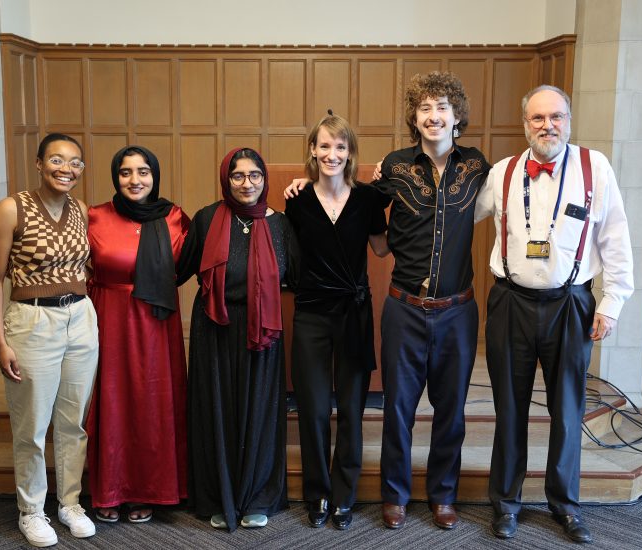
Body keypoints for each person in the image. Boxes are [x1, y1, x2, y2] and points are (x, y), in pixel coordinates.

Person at [475, 85, 634, 543]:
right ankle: (505, 503)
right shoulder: (502, 173)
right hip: (510, 302)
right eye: (539, 118)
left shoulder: (594, 168)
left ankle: (564, 504)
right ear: (525, 124)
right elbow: (456, 213)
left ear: (569, 119)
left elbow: (616, 238)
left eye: (557, 117)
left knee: (567, 410)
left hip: (571, 305)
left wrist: (612, 302)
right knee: (509, 409)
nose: (548, 126)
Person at [373, 71, 489, 530]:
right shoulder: (395, 166)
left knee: (451, 410)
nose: (433, 115)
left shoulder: (478, 166)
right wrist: (380, 242)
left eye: (442, 107)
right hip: (404, 309)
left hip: (458, 311)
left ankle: (443, 494)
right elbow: (358, 204)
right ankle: (395, 495)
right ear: (414, 118)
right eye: (424, 108)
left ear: (456, 116)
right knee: (399, 408)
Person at [0, 133, 98, 547]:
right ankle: (32, 511)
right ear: (38, 163)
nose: (66, 169)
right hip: (32, 322)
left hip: (81, 318)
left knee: (73, 421)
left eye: (75, 163)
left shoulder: (81, 210)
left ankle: (69, 503)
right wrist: (0, 343)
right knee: (32, 425)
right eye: (56, 160)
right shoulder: (10, 209)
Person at [177, 147, 294, 531]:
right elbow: (179, 268)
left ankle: (258, 497)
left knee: (260, 411)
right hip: (216, 326)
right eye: (238, 176)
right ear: (226, 179)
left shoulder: (280, 223)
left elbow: (296, 273)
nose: (247, 183)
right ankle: (217, 496)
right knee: (218, 410)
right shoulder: (208, 218)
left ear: (264, 179)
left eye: (255, 175)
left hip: (263, 330)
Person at [284, 113, 389, 530]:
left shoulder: (366, 200)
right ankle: (318, 494)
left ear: (350, 153)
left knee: (350, 408)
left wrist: (392, 193)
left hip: (353, 314)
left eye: (340, 147)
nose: (332, 154)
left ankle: (344, 496)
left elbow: (381, 251)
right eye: (325, 146)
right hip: (310, 314)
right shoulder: (296, 200)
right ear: (312, 150)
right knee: (311, 409)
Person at [85, 145, 190, 524]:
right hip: (109, 320)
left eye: (143, 171)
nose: (135, 180)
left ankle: (150, 489)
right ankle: (111, 488)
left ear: (154, 175)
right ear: (116, 177)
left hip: (157, 326)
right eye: (126, 172)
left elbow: (199, 258)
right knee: (113, 401)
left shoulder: (175, 217)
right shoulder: (94, 216)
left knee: (152, 401)